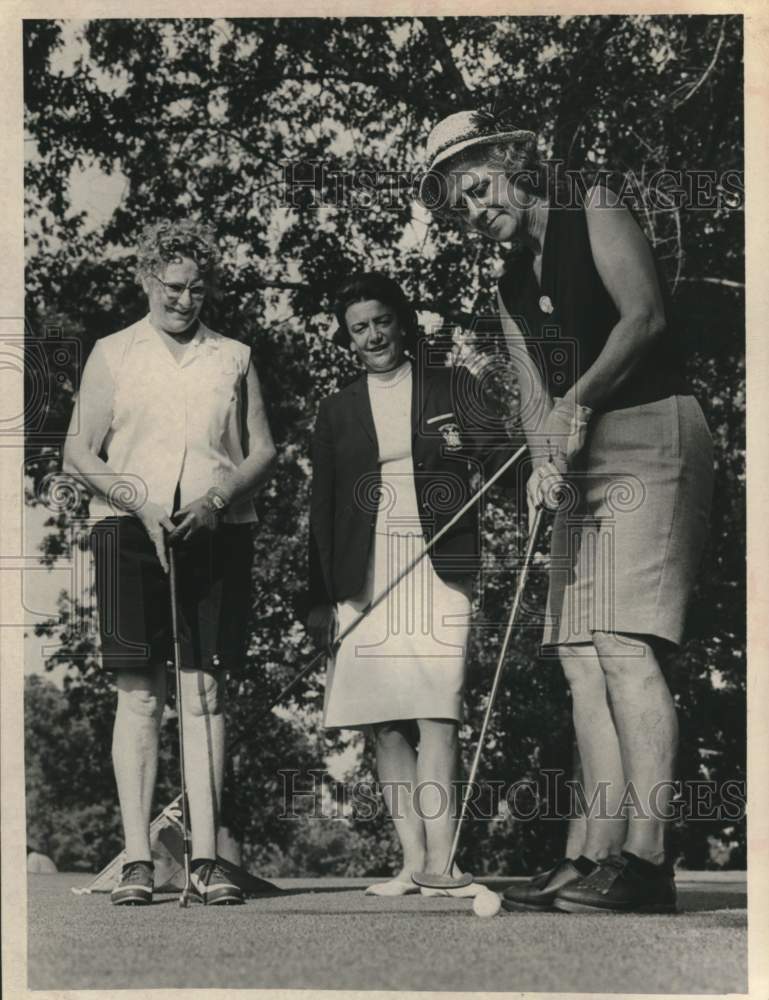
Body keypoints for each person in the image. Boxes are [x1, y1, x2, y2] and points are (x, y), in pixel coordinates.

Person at [419, 110, 713, 913]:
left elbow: (643, 318)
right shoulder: (510, 285)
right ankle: (591, 855)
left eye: (478, 188)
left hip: (652, 433)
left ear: (513, 162)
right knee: (579, 654)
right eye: (459, 204)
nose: (474, 210)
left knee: (622, 641)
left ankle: (647, 861)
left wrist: (571, 409)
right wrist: (540, 463)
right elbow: (532, 399)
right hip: (582, 453)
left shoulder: (594, 206)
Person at [63, 219, 276, 906]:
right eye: (173, 287)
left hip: (215, 530)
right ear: (147, 280)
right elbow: (78, 452)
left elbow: (262, 451)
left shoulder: (233, 356)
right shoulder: (114, 352)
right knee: (141, 695)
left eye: (198, 288)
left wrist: (216, 499)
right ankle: (137, 861)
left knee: (204, 692)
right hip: (129, 531)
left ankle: (206, 859)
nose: (186, 300)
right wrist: (142, 503)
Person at [306, 271, 516, 896]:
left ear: (402, 323)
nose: (373, 336)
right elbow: (321, 509)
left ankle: (442, 864)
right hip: (364, 567)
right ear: (348, 339)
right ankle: (411, 862)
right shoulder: (336, 410)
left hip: (440, 558)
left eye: (381, 322)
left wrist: (537, 478)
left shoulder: (452, 384)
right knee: (385, 722)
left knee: (437, 710)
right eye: (359, 329)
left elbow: (502, 455)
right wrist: (318, 599)